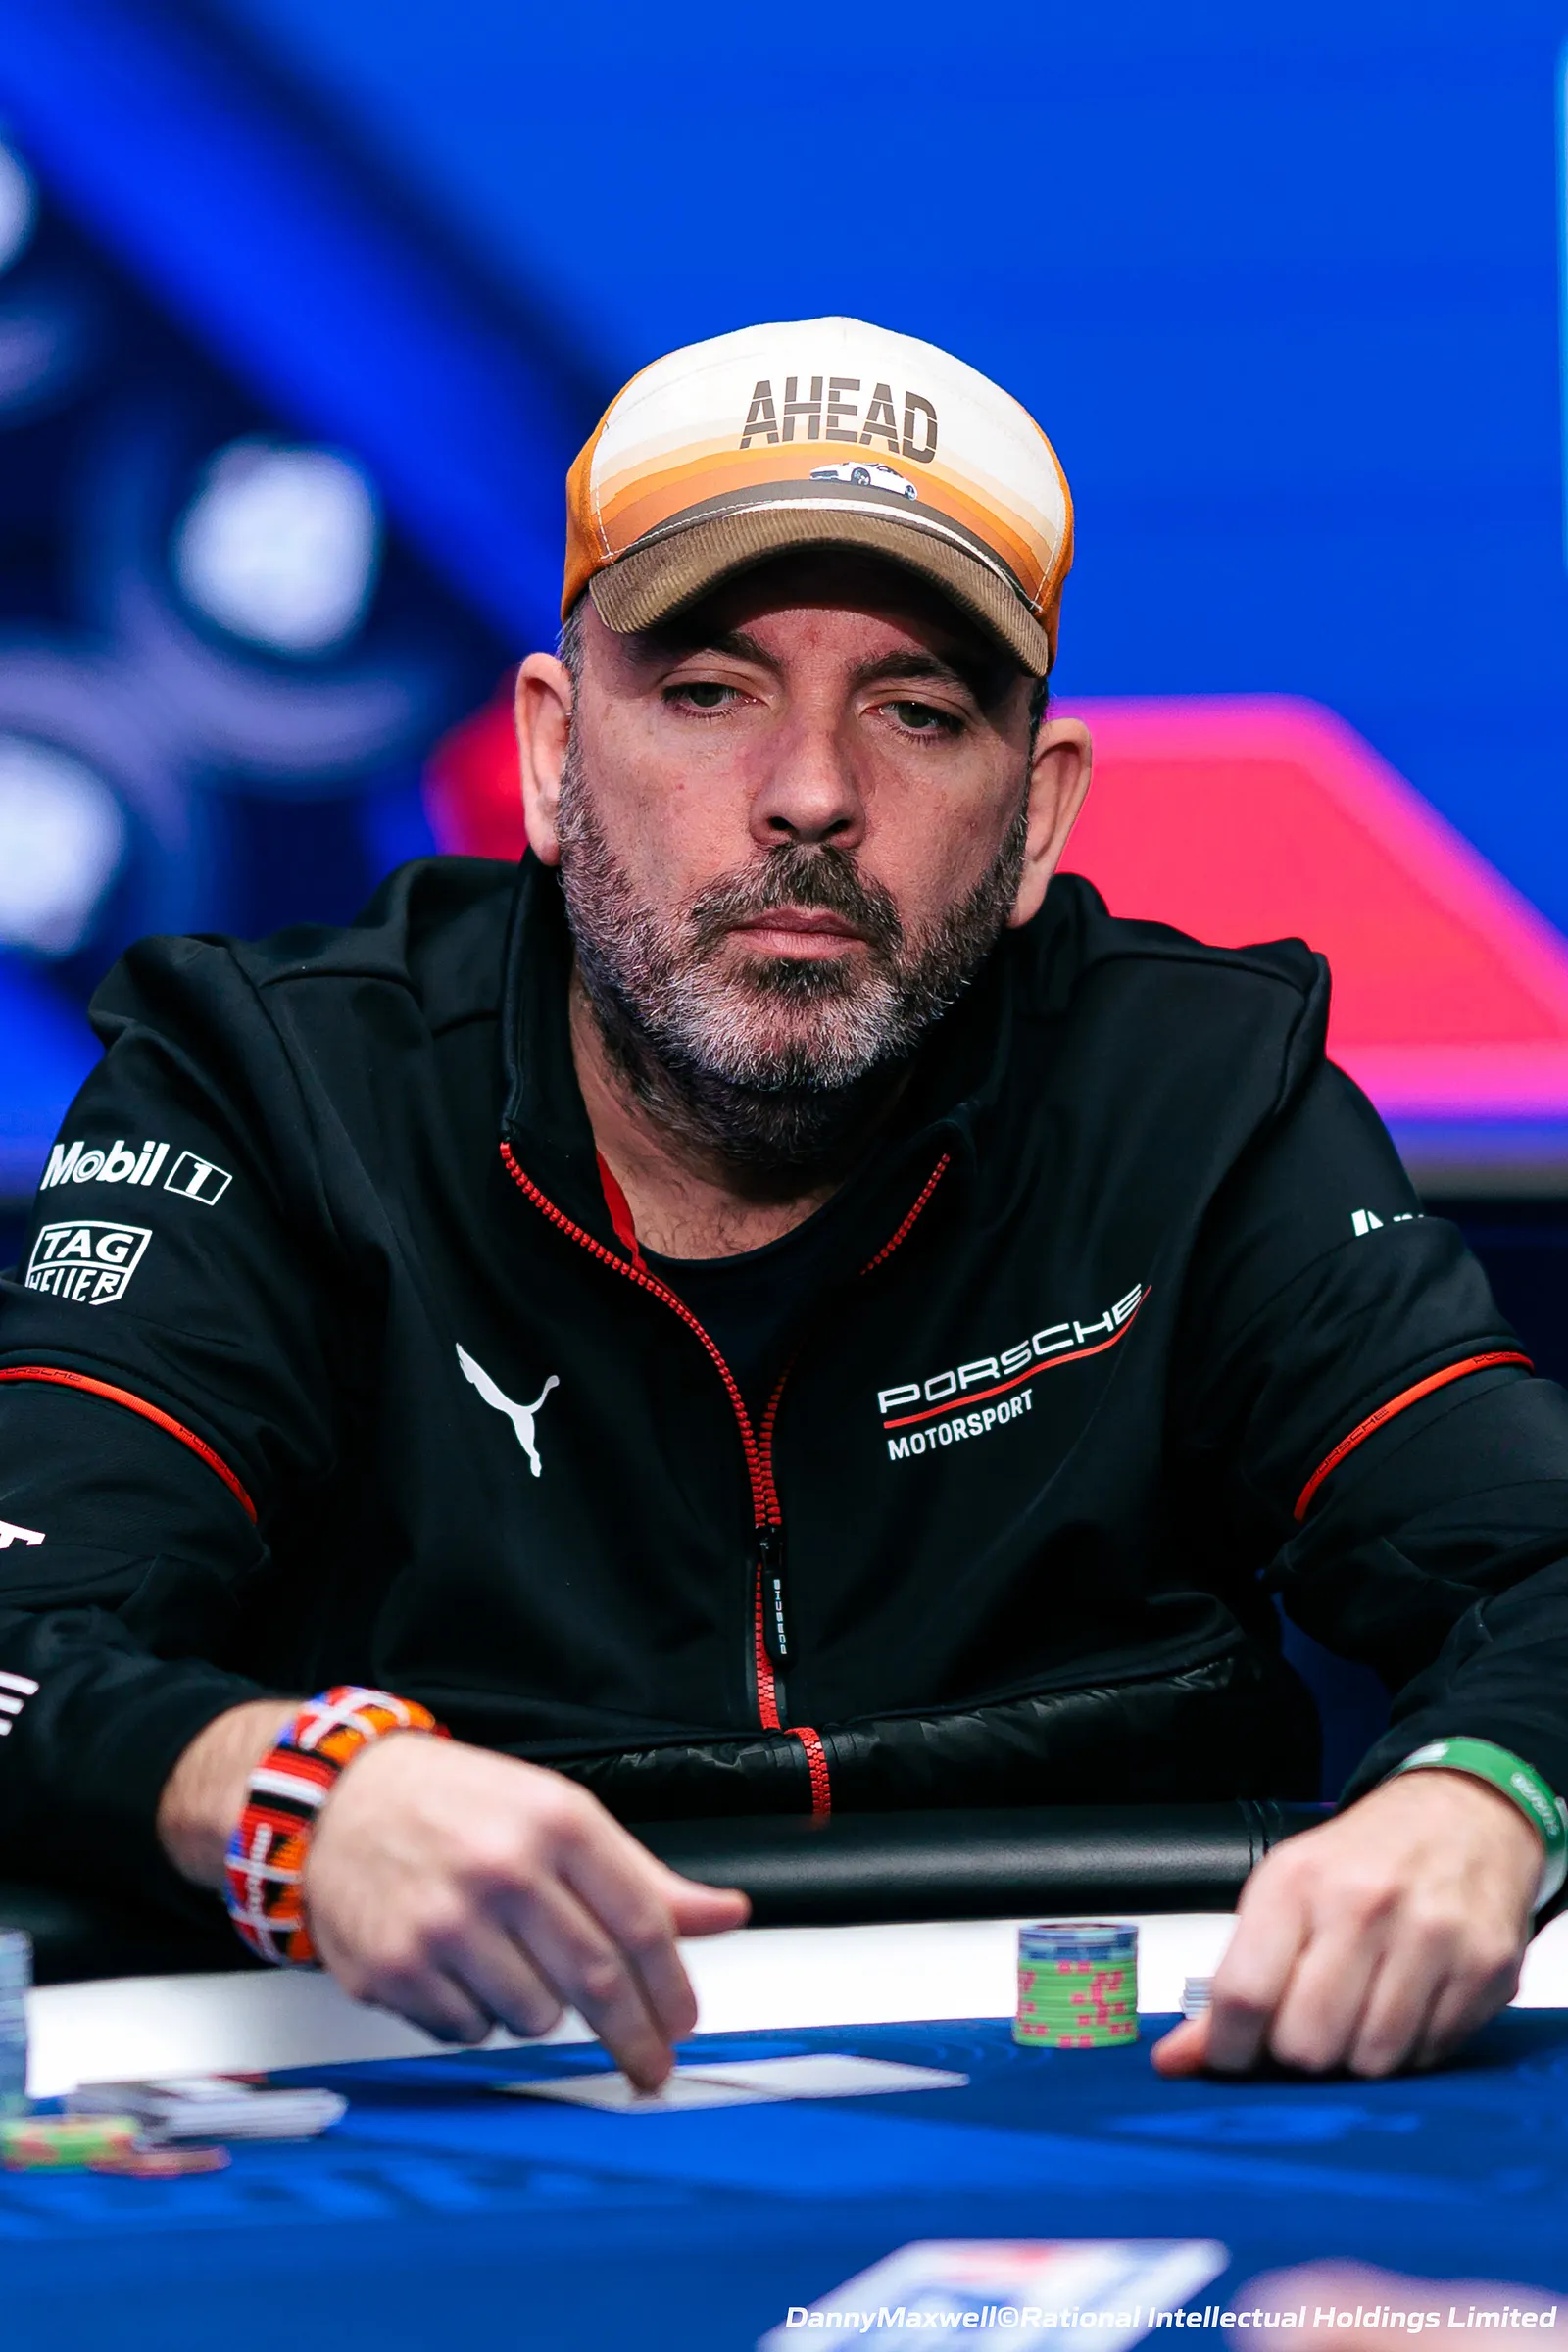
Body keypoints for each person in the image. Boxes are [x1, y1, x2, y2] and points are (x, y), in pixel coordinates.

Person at [0, 318, 1563, 2093]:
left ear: (1038, 816)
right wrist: (292, 1788)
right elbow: (24, 1631)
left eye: (918, 711)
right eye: (709, 692)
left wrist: (1480, 1795)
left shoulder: (1194, 1095)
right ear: (550, 753)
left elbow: (1540, 1567)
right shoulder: (274, 1089)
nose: (812, 795)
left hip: (1113, 2099)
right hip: (452, 2105)